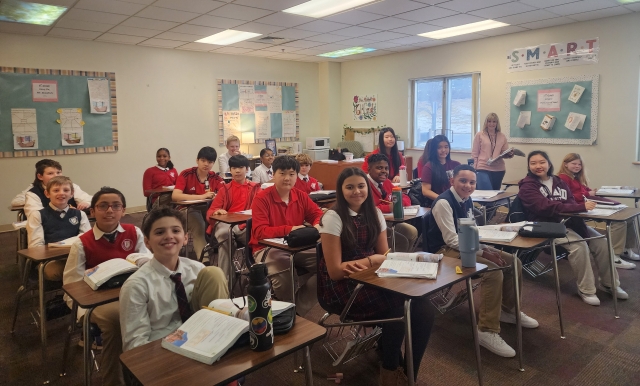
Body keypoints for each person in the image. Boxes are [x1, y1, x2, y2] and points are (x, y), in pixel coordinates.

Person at [318, 167, 435, 385]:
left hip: (372, 276)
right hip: (344, 286)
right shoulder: (333, 217)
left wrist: (396, 262)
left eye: (361, 186)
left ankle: (409, 374)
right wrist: (372, 260)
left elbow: (384, 255)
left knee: (425, 308)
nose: (357, 191)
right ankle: (390, 371)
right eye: (349, 187)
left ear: (368, 188)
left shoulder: (375, 213)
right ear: (340, 190)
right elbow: (335, 271)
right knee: (398, 312)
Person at [425, 164, 538, 357]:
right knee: (493, 271)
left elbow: (470, 233)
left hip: (464, 246)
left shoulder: (466, 200)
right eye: (463, 181)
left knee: (513, 262)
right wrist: (484, 253)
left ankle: (508, 310)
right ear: (452, 181)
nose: (468, 185)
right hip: (443, 252)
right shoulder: (444, 202)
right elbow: (451, 239)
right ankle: (486, 330)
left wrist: (486, 248)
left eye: (472, 182)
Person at [63, 187, 150, 386]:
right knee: (116, 318)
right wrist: (81, 313)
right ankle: (115, 380)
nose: (110, 210)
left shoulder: (133, 232)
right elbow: (71, 284)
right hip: (96, 302)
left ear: (123, 210)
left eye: (116, 206)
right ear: (92, 212)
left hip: (131, 293)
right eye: (103, 206)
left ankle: (147, 371)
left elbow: (146, 262)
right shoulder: (81, 243)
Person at [518, 150, 628, 305]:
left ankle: (610, 284)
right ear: (529, 166)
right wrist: (579, 207)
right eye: (533, 163)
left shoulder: (559, 182)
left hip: (569, 222)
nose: (538, 166)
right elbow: (544, 207)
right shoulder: (527, 186)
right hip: (546, 227)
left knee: (602, 241)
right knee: (579, 245)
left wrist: (576, 209)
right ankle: (587, 289)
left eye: (542, 162)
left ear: (549, 164)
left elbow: (569, 203)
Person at [120, 207, 228, 352]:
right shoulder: (137, 285)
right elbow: (135, 345)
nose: (169, 236)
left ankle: (219, 341)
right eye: (160, 232)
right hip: (163, 349)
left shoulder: (197, 269)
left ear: (185, 238)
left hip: (200, 338)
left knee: (214, 273)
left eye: (176, 231)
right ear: (147, 242)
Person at [250, 156, 322, 316]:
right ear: (273, 175)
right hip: (266, 248)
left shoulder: (300, 195)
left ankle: (294, 312)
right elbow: (260, 232)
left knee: (327, 263)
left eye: (292, 174)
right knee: (283, 266)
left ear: (297, 176)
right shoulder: (262, 198)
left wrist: (317, 224)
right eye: (282, 173)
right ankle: (288, 311)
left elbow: (317, 214)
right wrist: (291, 229)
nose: (287, 178)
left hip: (296, 247)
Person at [558, 153, 638, 269]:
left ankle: (626, 249)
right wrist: (586, 194)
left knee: (627, 215)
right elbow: (567, 197)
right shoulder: (562, 178)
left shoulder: (575, 177)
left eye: (579, 164)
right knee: (618, 221)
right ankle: (614, 255)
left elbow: (583, 190)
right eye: (573, 163)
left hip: (588, 203)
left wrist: (590, 191)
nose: (577, 166)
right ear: (565, 164)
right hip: (580, 207)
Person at [206, 155, 261, 282]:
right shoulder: (224, 189)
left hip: (245, 225)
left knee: (260, 235)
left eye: (240, 167)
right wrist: (217, 211)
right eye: (234, 168)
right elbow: (211, 212)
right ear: (229, 170)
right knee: (226, 235)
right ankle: (226, 282)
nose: (237, 171)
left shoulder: (255, 188)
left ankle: (258, 277)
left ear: (247, 169)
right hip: (226, 224)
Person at [26, 176, 91, 280]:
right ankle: (71, 294)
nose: (61, 193)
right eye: (56, 190)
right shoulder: (37, 215)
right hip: (50, 260)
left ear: (72, 193)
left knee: (96, 265)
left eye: (66, 190)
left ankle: (77, 294)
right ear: (47, 194)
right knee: (66, 270)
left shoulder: (80, 214)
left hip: (76, 257)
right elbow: (35, 248)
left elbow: (88, 240)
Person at [172, 146, 224, 259]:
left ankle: (224, 257)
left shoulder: (215, 177)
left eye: (210, 162)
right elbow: (175, 196)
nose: (206, 164)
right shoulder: (186, 174)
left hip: (207, 209)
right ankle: (205, 262)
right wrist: (201, 196)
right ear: (197, 160)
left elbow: (225, 193)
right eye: (203, 160)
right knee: (199, 226)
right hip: (187, 209)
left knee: (223, 222)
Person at [367, 153, 418, 252]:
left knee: (412, 231)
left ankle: (400, 259)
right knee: (402, 241)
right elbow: (370, 208)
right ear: (369, 169)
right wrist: (389, 207)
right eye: (379, 168)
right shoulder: (364, 184)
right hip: (373, 225)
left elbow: (405, 199)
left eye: (386, 168)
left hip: (388, 221)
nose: (384, 171)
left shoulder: (386, 182)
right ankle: (392, 260)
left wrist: (397, 203)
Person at [12, 158, 92, 217]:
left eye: (58, 172)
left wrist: (86, 203)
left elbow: (88, 198)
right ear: (40, 176)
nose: (55, 176)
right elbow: (36, 216)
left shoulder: (71, 186)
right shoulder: (33, 192)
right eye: (50, 173)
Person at [471, 113, 513, 190]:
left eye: (494, 121)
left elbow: (504, 152)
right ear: (486, 123)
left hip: (499, 169)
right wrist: (474, 168)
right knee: (485, 194)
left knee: (495, 194)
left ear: (497, 123)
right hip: (483, 167)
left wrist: (509, 154)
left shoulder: (502, 136)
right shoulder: (480, 135)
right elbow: (475, 153)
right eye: (489, 121)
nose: (491, 124)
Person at [421, 135, 460, 203]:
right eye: (439, 147)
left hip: (456, 201)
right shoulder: (429, 167)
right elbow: (425, 191)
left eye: (446, 147)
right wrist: (444, 200)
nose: (443, 150)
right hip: (439, 203)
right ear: (434, 149)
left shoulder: (456, 165)